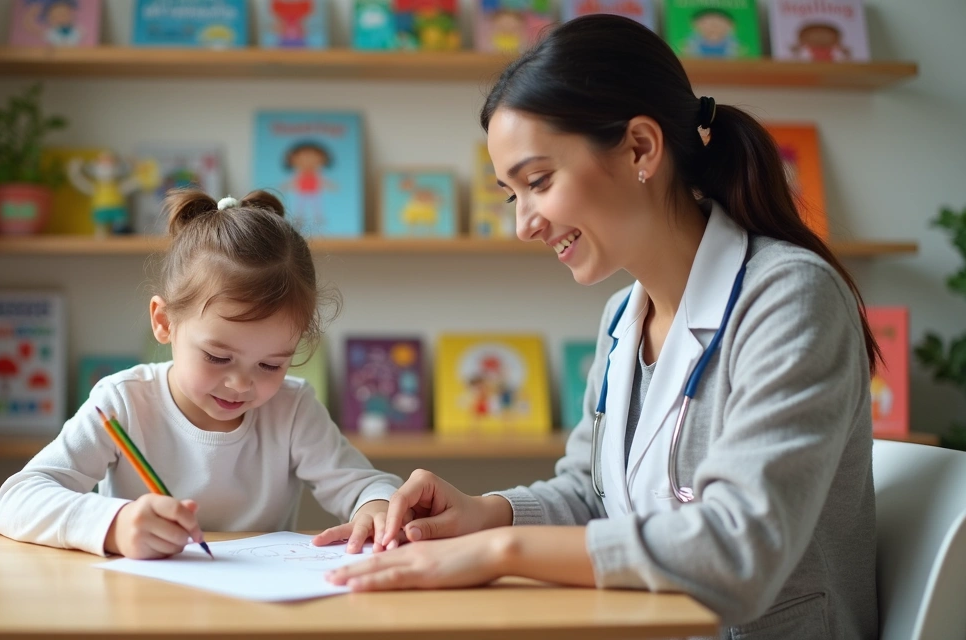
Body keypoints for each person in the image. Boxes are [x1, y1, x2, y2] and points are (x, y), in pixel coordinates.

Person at [325, 15, 879, 639]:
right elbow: (596, 501)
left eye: (538, 182)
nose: (524, 224)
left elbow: (738, 549)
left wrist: (498, 552)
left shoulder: (790, 298)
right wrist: (487, 513)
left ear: (641, 148)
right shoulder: (622, 317)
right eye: (512, 195)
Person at [0, 189, 403, 559]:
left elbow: (368, 486)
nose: (241, 384)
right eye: (217, 357)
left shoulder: (292, 408)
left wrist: (376, 508)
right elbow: (16, 500)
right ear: (165, 322)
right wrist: (115, 525)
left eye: (270, 364)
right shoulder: (123, 401)